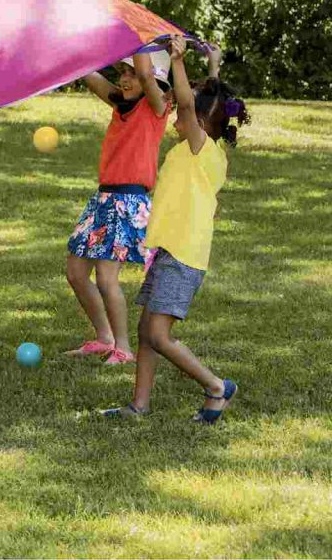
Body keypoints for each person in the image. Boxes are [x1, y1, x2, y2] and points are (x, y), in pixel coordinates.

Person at [102, 40, 250, 423]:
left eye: (183, 116)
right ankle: (139, 405)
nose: (175, 119)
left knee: (158, 334)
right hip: (170, 251)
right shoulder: (200, 144)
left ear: (198, 122)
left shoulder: (202, 149)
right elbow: (207, 99)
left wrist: (179, 61)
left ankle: (217, 387)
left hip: (183, 256)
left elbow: (188, 102)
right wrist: (213, 65)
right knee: (146, 328)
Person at [65, 48, 173, 365]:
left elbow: (144, 76)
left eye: (131, 73)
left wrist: (142, 42)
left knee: (106, 278)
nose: (124, 79)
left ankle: (123, 348)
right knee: (75, 272)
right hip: (104, 199)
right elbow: (88, 73)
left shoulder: (157, 107)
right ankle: (104, 338)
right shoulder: (120, 105)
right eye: (121, 73)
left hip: (127, 200)